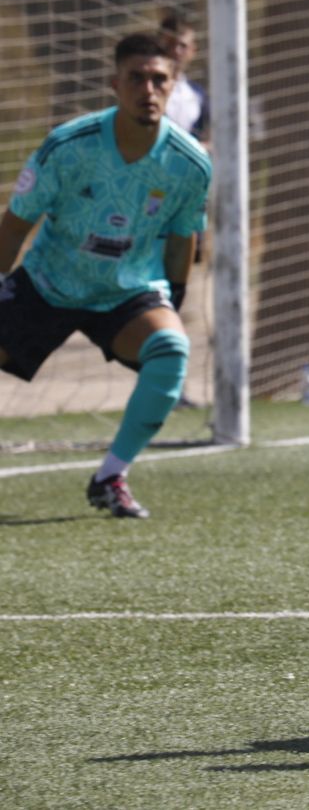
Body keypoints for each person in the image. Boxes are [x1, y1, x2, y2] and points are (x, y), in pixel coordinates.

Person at [0, 33, 212, 518]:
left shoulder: (190, 163)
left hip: (129, 290)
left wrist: (171, 304)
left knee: (171, 350)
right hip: (49, 282)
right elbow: (13, 228)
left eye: (159, 79)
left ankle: (111, 476)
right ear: (115, 84)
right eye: (136, 78)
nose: (148, 89)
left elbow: (184, 238)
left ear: (174, 85)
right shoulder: (68, 146)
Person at [157, 10, 208, 142]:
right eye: (170, 44)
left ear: (193, 50)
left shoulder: (198, 94)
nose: (176, 51)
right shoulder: (146, 88)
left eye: (183, 46)